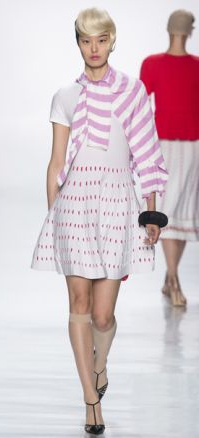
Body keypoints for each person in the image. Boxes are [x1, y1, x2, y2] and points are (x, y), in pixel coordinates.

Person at [31, 8, 168, 435]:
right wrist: (53, 217)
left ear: (112, 41)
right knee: (79, 304)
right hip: (74, 204)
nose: (94, 48)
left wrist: (151, 209)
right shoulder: (65, 96)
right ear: (78, 43)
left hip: (116, 203)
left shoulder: (132, 91)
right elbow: (56, 162)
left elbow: (147, 151)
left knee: (103, 317)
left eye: (101, 40)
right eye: (86, 40)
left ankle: (99, 365)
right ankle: (90, 400)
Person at [140, 9, 198, 307]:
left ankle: (170, 276)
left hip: (190, 145)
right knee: (169, 208)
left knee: (182, 210)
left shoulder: (189, 66)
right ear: (191, 31)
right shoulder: (152, 64)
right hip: (164, 144)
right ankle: (173, 279)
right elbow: (140, 106)